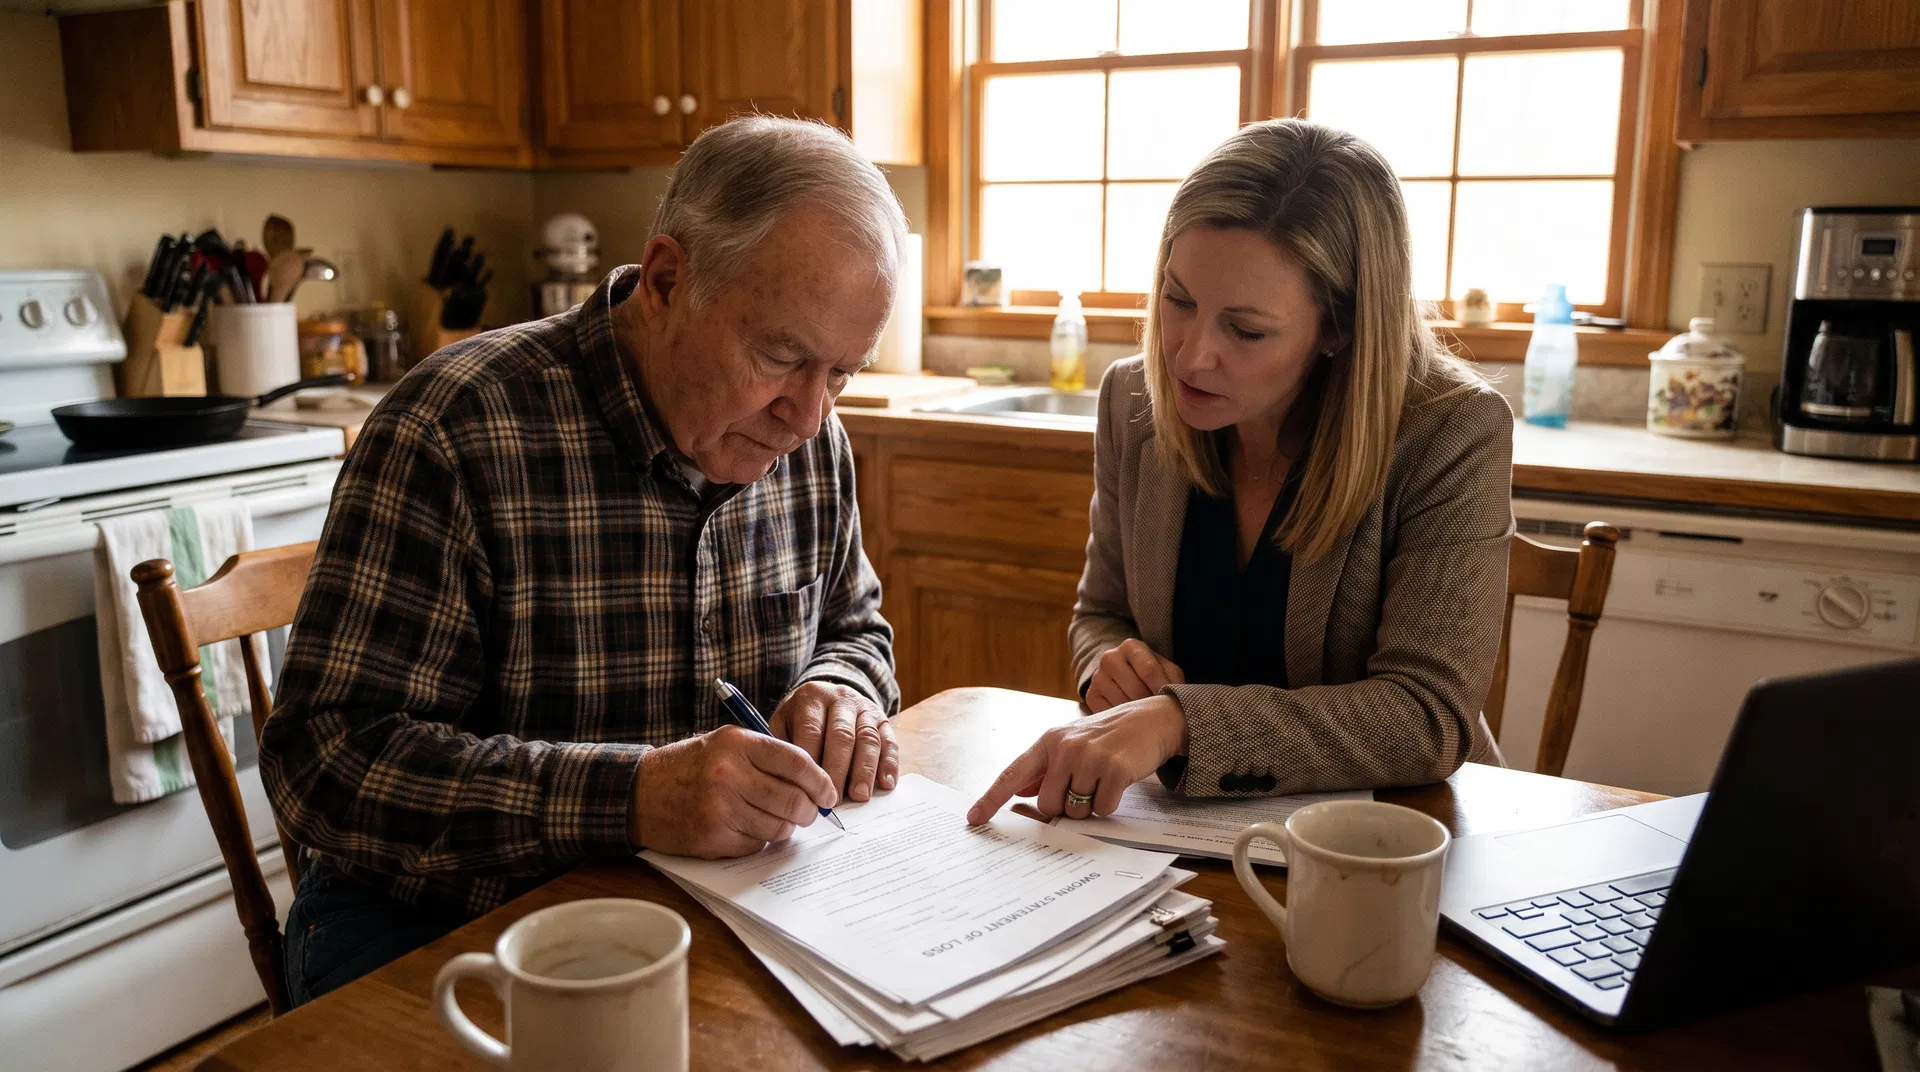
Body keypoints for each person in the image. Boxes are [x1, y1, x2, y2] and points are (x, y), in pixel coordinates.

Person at [263, 116, 908, 1005]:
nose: (808, 416)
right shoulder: (455, 429)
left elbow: (856, 627)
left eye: (841, 373)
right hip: (446, 925)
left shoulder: (807, 438)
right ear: (667, 282)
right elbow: (326, 763)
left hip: (720, 912)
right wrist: (632, 797)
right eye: (782, 355)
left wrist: (841, 689)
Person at [969, 119, 1513, 827]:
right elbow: (1101, 614)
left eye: (1246, 330)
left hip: (1387, 840)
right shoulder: (1132, 399)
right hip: (1172, 830)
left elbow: (1427, 715)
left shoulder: (1451, 430)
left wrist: (1179, 722)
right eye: (1178, 300)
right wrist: (1108, 668)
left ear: (1339, 328)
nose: (1189, 356)